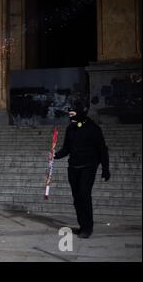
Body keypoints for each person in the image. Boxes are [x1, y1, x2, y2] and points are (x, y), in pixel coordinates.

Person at [54, 101, 110, 239]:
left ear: (79, 113)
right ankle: (82, 225)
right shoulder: (71, 129)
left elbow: (102, 149)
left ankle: (88, 227)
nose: (71, 118)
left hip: (88, 167)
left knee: (84, 195)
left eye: (73, 114)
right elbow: (66, 149)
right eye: (70, 115)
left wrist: (105, 168)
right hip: (73, 167)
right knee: (77, 198)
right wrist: (55, 156)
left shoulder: (93, 128)